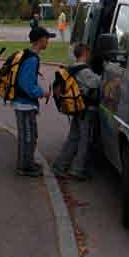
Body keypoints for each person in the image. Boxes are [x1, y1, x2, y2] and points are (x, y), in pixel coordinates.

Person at [52, 43, 101, 181]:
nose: (90, 56)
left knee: (73, 137)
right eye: (89, 53)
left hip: (76, 108)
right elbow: (97, 83)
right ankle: (77, 169)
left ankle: (59, 165)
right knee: (84, 140)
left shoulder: (71, 68)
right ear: (85, 53)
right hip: (85, 109)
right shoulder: (85, 71)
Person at [12, 27, 55, 177]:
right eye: (46, 38)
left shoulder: (30, 56)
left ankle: (28, 162)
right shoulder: (31, 59)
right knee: (28, 136)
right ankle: (24, 167)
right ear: (40, 40)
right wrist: (42, 92)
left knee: (30, 135)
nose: (48, 41)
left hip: (25, 103)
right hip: (24, 104)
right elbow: (26, 84)